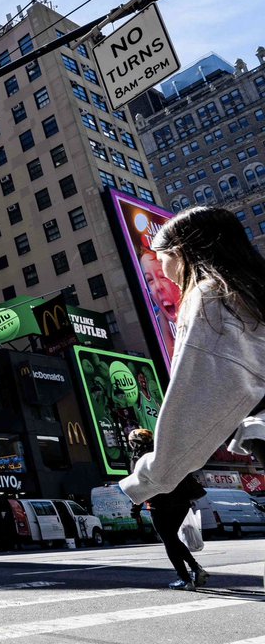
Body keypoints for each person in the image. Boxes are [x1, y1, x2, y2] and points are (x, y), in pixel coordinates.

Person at [120, 206, 265, 588]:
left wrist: (147, 479)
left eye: (160, 255)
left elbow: (195, 402)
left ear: (180, 252)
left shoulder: (208, 297)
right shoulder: (252, 287)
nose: (160, 265)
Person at [127, 428, 207, 590]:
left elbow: (141, 486)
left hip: (160, 504)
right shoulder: (164, 453)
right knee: (172, 538)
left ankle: (185, 578)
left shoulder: (139, 459)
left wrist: (135, 508)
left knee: (169, 541)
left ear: (135, 443)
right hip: (182, 502)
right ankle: (195, 569)